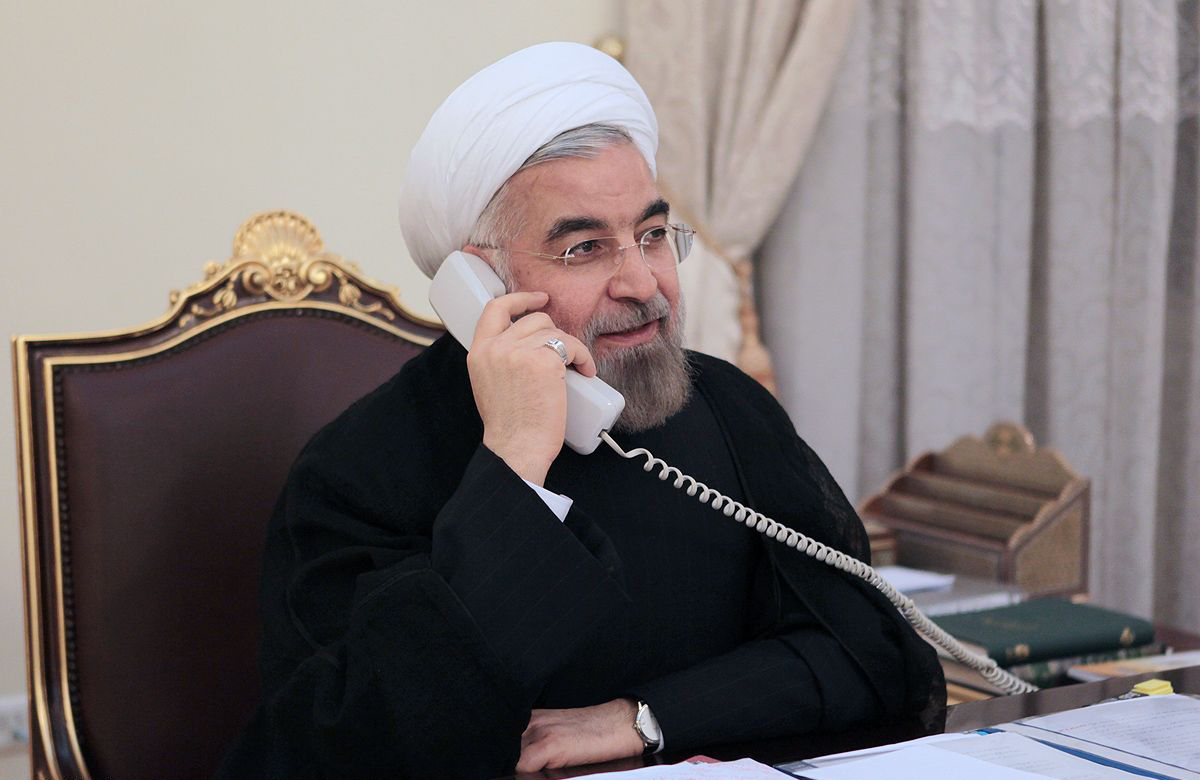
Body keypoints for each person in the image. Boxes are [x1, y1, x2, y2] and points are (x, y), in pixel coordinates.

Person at [217, 42, 942, 780]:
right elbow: (347, 748)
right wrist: (514, 471)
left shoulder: (728, 410)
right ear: (481, 284)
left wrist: (646, 717)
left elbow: (876, 655)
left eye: (652, 236)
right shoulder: (360, 470)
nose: (643, 283)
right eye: (586, 247)